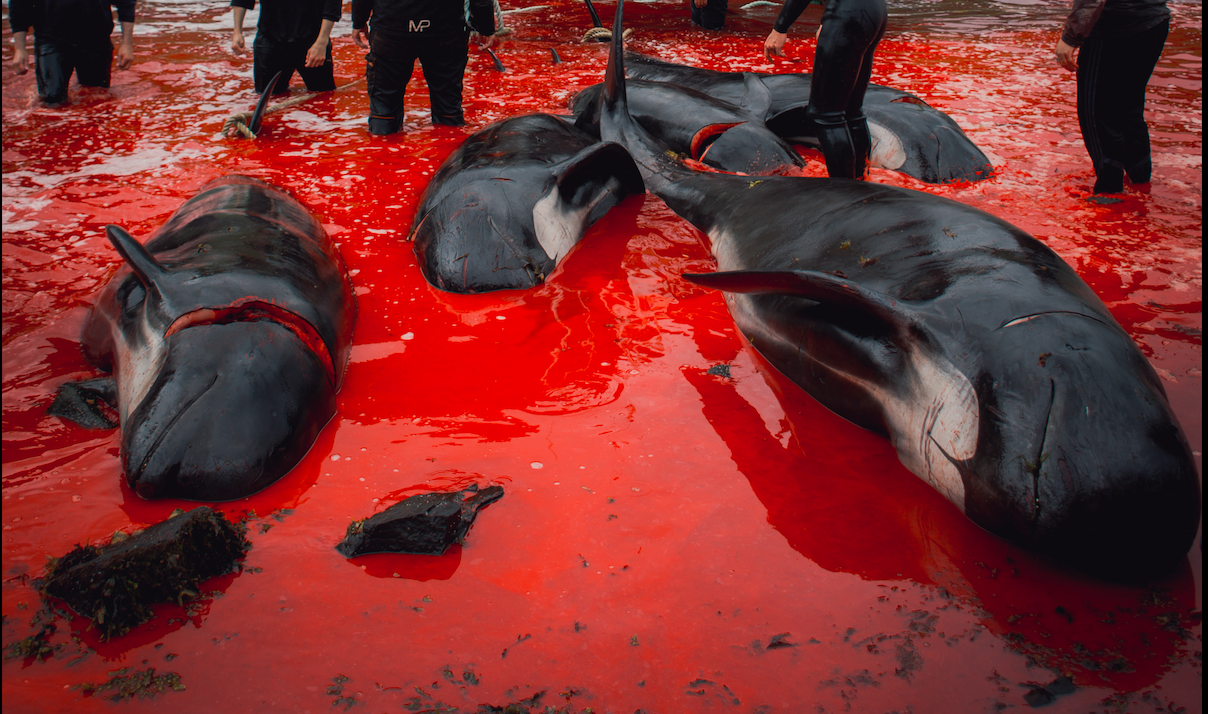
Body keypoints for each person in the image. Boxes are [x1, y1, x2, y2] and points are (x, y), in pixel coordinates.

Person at [1054, 0, 1170, 194]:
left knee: (1095, 111)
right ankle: (1140, 180)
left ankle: (1109, 191)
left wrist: (1070, 37)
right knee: (1129, 106)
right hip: (1155, 21)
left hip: (1113, 27)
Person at [763, 0, 887, 180]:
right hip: (874, 9)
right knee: (851, 111)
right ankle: (862, 185)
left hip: (848, 12)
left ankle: (844, 196)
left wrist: (780, 28)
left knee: (825, 116)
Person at [351, 0, 497, 135]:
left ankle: (381, 156)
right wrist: (486, 26)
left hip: (392, 26)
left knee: (384, 109)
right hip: (445, 28)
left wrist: (359, 20)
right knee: (448, 107)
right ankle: (449, 151)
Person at [8, 0, 136, 106]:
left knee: (95, 98)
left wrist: (126, 44)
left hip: (96, 39)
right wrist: (19, 48)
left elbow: (126, 2)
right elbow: (19, 4)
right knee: (52, 100)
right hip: (51, 39)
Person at [230, 0, 341, 95]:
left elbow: (332, 5)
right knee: (267, 97)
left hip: (312, 41)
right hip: (270, 39)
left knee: (323, 96)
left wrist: (321, 42)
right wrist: (237, 32)